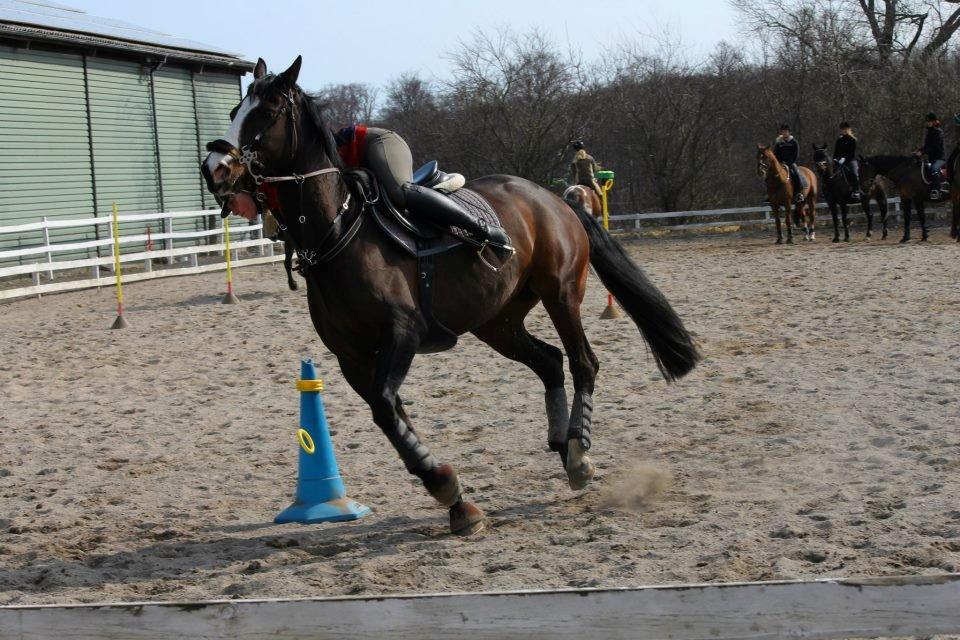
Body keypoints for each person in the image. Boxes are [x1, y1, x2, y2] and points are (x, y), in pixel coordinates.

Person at [773, 124, 804, 204]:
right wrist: (779, 162)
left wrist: (789, 162)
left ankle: (799, 193)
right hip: (780, 164)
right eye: (783, 131)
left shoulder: (794, 142)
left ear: (789, 132)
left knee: (796, 174)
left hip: (791, 163)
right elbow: (775, 154)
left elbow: (796, 154)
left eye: (786, 131)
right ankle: (771, 194)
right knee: (771, 174)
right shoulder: (779, 143)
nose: (784, 133)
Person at [918, 112, 946, 199]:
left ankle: (937, 191)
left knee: (934, 169)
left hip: (940, 159)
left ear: (934, 122)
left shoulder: (938, 132)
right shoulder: (929, 132)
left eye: (929, 121)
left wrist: (923, 152)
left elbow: (935, 147)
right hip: (932, 159)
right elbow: (926, 146)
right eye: (927, 121)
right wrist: (919, 150)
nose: (927, 123)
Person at [833, 121, 862, 201]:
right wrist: (835, 159)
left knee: (854, 173)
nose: (843, 131)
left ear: (849, 129)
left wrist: (844, 159)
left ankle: (856, 191)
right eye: (842, 129)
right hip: (840, 161)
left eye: (845, 129)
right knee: (832, 173)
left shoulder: (852, 140)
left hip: (851, 160)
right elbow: (836, 152)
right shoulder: (839, 140)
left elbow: (852, 153)